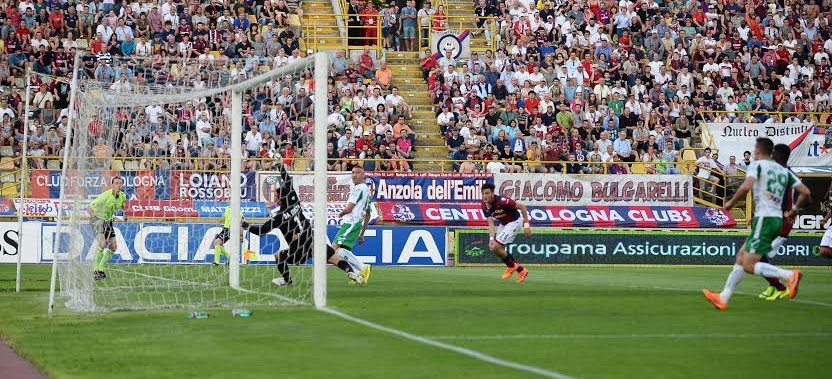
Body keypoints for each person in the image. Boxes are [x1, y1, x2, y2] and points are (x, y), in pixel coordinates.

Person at [704, 138, 809, 310]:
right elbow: (805, 192)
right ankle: (723, 297)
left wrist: (730, 203)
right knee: (740, 257)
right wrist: (794, 210)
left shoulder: (758, 165)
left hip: (765, 219)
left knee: (749, 264)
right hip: (775, 219)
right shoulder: (784, 171)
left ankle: (790, 276)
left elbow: (746, 187)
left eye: (755, 149)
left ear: (759, 151)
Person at [757, 144, 811, 300]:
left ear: (778, 155)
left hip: (781, 223)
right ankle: (774, 286)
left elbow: (807, 196)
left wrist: (793, 210)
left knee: (757, 257)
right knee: (761, 257)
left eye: (773, 154)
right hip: (776, 221)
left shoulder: (786, 174)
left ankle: (780, 285)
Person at [330, 166, 374, 284]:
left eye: (358, 172)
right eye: (353, 172)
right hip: (356, 224)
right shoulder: (367, 191)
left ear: (363, 175)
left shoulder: (358, 188)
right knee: (340, 252)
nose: (354, 175)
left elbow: (349, 208)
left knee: (332, 251)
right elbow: (368, 214)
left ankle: (363, 267)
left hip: (350, 223)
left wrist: (341, 213)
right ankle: (357, 275)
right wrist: (362, 234)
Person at [480, 183, 531, 283]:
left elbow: (522, 207)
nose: (485, 196)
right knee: (495, 249)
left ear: (492, 194)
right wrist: (491, 239)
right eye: (483, 193)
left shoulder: (503, 201)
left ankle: (511, 266)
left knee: (496, 246)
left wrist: (526, 226)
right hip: (503, 224)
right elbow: (490, 223)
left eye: (487, 193)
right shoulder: (484, 206)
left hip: (514, 222)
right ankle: (520, 270)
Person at [89, 177, 127, 280]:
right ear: (112, 185)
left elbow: (123, 206)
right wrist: (94, 219)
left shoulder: (122, 196)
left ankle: (100, 269)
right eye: (116, 183)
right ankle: (95, 270)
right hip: (98, 219)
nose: (118, 185)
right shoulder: (105, 196)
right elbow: (90, 207)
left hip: (108, 221)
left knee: (113, 247)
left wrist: (125, 213)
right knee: (102, 243)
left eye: (120, 183)